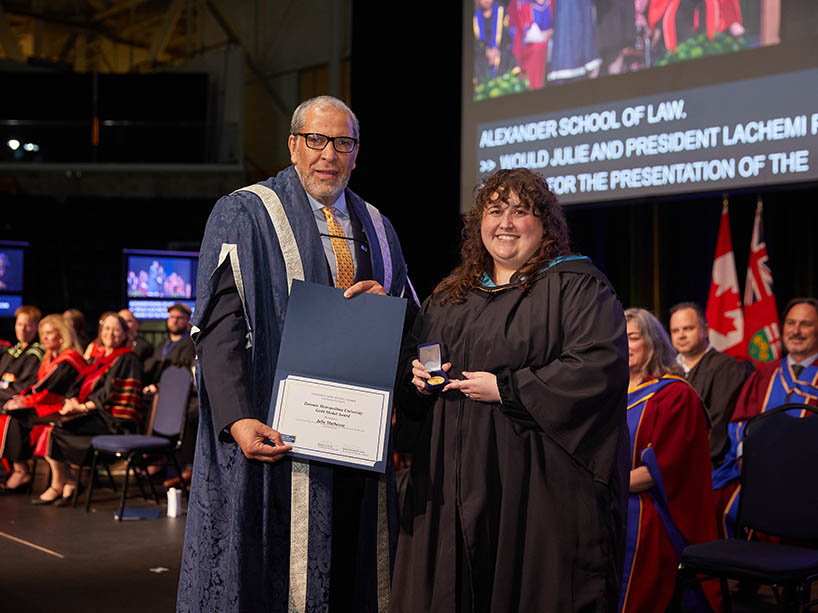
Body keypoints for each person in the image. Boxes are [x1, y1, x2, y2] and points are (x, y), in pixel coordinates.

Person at [177, 95, 416, 612]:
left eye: (343, 143)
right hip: (271, 432)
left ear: (357, 153)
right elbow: (218, 325)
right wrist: (238, 418)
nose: (329, 154)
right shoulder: (245, 212)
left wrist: (386, 308)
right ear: (293, 145)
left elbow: (411, 321)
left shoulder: (377, 225)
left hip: (355, 443)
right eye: (317, 140)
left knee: (356, 571)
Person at [392, 168, 629, 611]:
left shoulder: (576, 288)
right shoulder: (448, 299)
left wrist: (507, 388)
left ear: (545, 225)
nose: (506, 222)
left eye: (521, 212)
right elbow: (418, 369)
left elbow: (597, 369)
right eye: (495, 210)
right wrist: (419, 382)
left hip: (536, 488)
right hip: (451, 485)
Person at [620, 308, 720, 613]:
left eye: (632, 337)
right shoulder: (606, 393)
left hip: (657, 508)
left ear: (652, 342)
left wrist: (600, 485)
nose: (623, 344)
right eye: (617, 338)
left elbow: (656, 474)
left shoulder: (675, 396)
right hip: (611, 493)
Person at [718, 298, 818, 537]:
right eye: (791, 323)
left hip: (808, 476)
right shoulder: (764, 374)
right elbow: (741, 422)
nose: (796, 331)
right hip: (758, 470)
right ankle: (735, 572)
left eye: (805, 324)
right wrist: (744, 454)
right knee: (719, 500)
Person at [34, 312, 143, 506]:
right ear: (100, 332)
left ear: (125, 334)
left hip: (113, 420)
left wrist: (82, 408)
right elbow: (78, 384)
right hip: (94, 414)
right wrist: (71, 401)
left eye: (116, 329)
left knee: (57, 428)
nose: (111, 333)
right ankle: (67, 482)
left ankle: (62, 483)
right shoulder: (100, 359)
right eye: (107, 329)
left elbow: (111, 395)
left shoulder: (128, 359)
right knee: (52, 424)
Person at [668, 302, 753, 536]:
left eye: (688, 328)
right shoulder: (667, 369)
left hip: (708, 464)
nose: (681, 335)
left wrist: (679, 463)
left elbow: (717, 423)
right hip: (670, 461)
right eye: (675, 331)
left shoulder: (725, 367)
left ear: (705, 330)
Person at [1, 314, 86, 493]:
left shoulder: (69, 359)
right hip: (49, 403)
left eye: (49, 333)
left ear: (61, 335)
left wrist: (24, 401)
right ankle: (20, 470)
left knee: (16, 415)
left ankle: (25, 472)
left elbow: (48, 389)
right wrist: (22, 400)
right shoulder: (50, 358)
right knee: (14, 413)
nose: (45, 337)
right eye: (43, 333)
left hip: (64, 407)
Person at [142, 302, 197, 487]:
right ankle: (154, 456)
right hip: (160, 390)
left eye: (179, 318)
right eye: (172, 317)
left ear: (188, 321)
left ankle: (181, 466)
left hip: (182, 394)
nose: (174, 321)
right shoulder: (163, 345)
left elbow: (185, 374)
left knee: (185, 413)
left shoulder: (189, 344)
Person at [0, 306, 45, 491]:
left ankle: (20, 470)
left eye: (28, 325)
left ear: (36, 328)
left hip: (21, 403)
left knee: (10, 418)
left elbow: (24, 387)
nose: (23, 329)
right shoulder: (13, 351)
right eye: (19, 324)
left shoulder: (36, 353)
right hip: (3, 398)